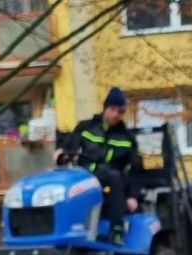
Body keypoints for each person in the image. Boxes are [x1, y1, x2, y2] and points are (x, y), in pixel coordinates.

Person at [55, 87, 141, 245]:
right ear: (105, 108)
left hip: (113, 181)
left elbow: (136, 170)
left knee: (113, 176)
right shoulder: (86, 128)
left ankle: (116, 229)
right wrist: (62, 154)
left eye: (120, 111)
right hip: (86, 176)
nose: (116, 115)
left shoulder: (128, 138)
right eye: (113, 109)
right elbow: (69, 149)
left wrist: (132, 196)